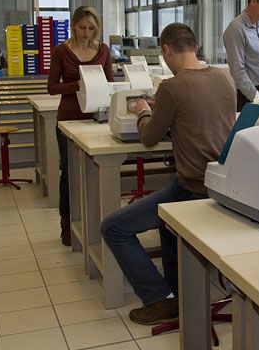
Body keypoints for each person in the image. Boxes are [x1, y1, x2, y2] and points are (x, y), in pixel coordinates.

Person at [100, 23, 236, 325]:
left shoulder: (172, 87)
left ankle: (159, 299)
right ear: (196, 46)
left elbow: (148, 137)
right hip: (221, 186)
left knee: (114, 228)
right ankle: (177, 291)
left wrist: (142, 111)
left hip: (191, 188)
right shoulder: (224, 78)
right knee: (165, 223)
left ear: (166, 51)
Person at [48, 6, 113, 246]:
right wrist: (78, 84)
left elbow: (110, 83)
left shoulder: (103, 50)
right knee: (69, 173)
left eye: (92, 28)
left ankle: (96, 222)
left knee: (95, 171)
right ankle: (66, 224)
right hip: (69, 118)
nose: (87, 33)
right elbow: (52, 87)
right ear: (74, 25)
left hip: (96, 118)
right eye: (83, 27)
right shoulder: (60, 52)